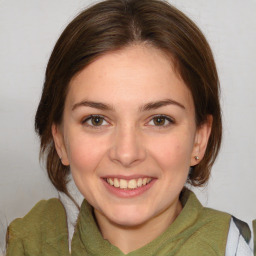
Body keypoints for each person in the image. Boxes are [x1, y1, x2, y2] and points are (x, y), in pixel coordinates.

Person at [5, 0, 253, 255]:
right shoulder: (28, 244)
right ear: (60, 139)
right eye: (96, 120)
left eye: (159, 120)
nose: (126, 153)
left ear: (200, 138)